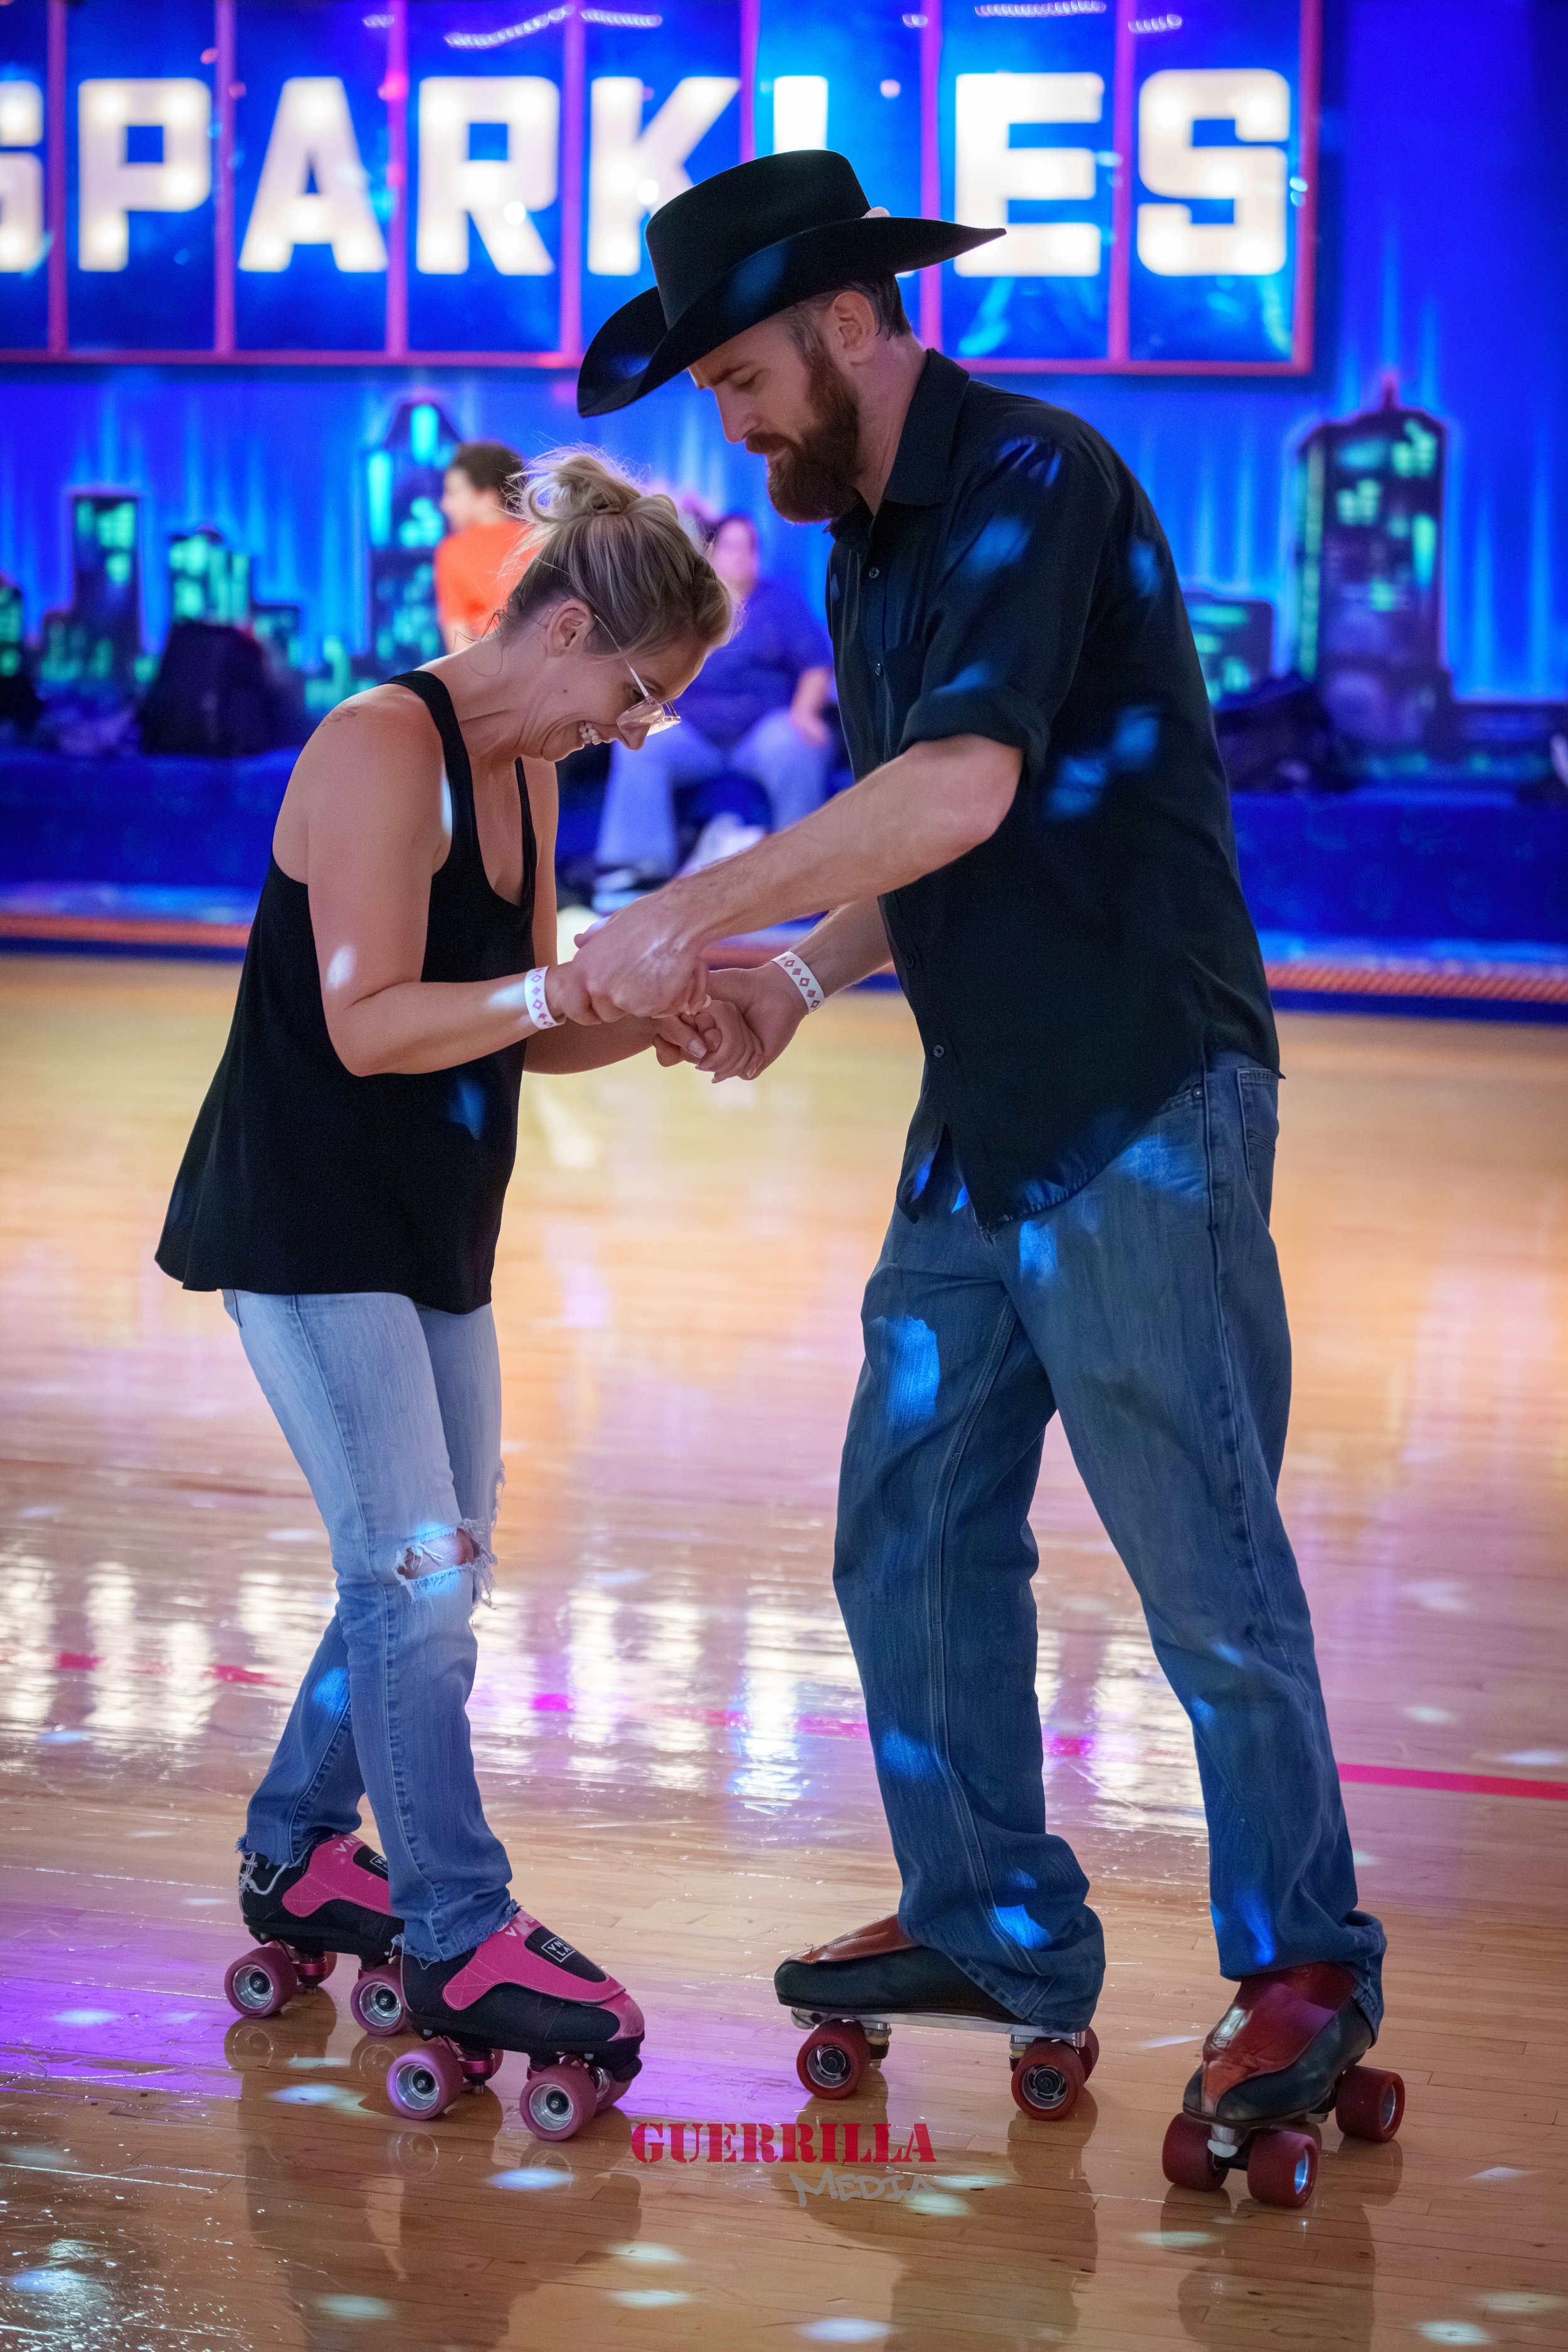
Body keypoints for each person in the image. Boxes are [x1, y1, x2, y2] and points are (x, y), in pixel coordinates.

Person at [564, 152, 1389, 2143]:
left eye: (739, 377)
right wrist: (800, 975)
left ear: (846, 322)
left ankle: (1299, 1962)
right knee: (912, 1522)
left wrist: (690, 910)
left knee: (1196, 1549)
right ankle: (990, 1916)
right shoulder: (866, 538)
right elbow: (923, 836)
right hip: (982, 1105)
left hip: (1138, 1092)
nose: (728, 422)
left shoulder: (1031, 477)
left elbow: (957, 785)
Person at [157, 450, 756, 2104]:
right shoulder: (378, 744)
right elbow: (369, 1024)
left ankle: (298, 1847)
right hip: (305, 1220)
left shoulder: (524, 777)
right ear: (559, 627)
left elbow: (514, 1025)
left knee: (431, 1572)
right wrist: (570, 984)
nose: (636, 729)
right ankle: (455, 1924)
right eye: (635, 693)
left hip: (429, 1225)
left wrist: (652, 1012)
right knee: (411, 1577)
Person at [593, 509, 834, 904]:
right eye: (730, 547)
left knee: (798, 746)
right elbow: (653, 667)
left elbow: (816, 665)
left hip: (762, 729)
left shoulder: (781, 603)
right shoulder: (684, 606)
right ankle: (635, 871)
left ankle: (798, 872)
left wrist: (805, 713)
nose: (739, 556)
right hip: (692, 728)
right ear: (711, 554)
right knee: (640, 745)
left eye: (747, 548)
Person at [435, 439, 532, 653]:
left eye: (453, 493)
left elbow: (459, 645)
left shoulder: (453, 551)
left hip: (486, 668)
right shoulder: (546, 540)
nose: (445, 505)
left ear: (487, 496)